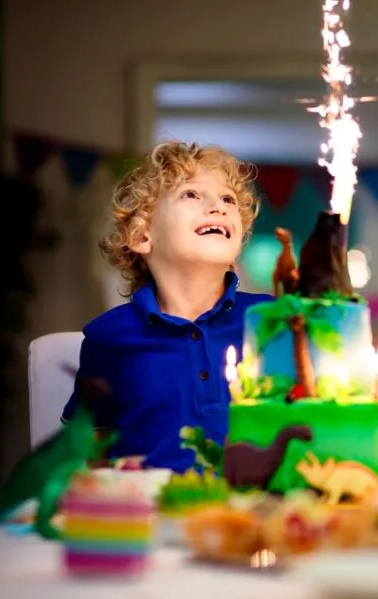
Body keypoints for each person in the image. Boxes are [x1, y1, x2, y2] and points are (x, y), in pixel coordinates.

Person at [60, 141, 272, 472]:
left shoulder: (272, 320)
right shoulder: (108, 338)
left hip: (254, 515)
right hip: (149, 516)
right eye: (192, 195)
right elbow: (88, 455)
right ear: (142, 235)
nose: (219, 207)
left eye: (228, 199)